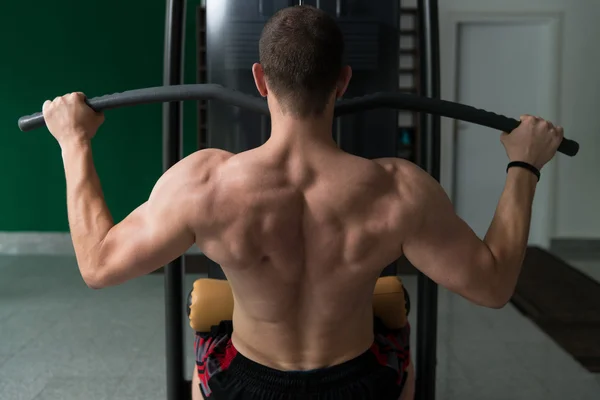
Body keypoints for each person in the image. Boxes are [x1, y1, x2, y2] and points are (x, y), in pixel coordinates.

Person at [42, 5, 564, 400]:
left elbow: (98, 264)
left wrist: (74, 143)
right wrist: (524, 166)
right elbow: (494, 286)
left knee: (203, 344)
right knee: (397, 331)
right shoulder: (398, 189)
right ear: (342, 81)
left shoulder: (204, 181)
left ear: (260, 80)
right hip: (361, 385)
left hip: (245, 386)